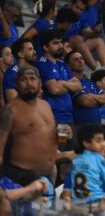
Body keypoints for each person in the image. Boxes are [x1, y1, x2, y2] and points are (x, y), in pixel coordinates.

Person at [2, 65, 58, 193]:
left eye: (32, 79)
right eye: (23, 80)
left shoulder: (46, 105)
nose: (28, 83)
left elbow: (50, 138)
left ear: (39, 83)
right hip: (20, 178)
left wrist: (63, 135)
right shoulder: (10, 110)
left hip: (48, 177)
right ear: (17, 84)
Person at [66, 124, 105, 215]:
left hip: (78, 202)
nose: (103, 143)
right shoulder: (98, 158)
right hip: (95, 200)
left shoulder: (76, 161)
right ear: (86, 143)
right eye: (98, 140)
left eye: (103, 139)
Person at [36, 30, 83, 126]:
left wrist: (62, 83)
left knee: (69, 141)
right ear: (45, 47)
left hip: (68, 116)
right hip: (53, 116)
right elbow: (54, 89)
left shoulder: (62, 63)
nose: (61, 46)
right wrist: (68, 84)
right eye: (55, 43)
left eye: (61, 42)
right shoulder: (42, 63)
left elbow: (79, 86)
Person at [67, 51, 105, 125]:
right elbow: (84, 101)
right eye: (76, 59)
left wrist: (90, 95)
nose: (80, 61)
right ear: (68, 65)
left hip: (97, 125)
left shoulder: (89, 82)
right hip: (81, 127)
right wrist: (98, 99)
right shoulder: (71, 82)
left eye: (81, 58)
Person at [3, 39, 36, 103]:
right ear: (21, 54)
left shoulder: (34, 71)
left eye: (33, 49)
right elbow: (13, 102)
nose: (34, 52)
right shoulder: (12, 74)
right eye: (30, 49)